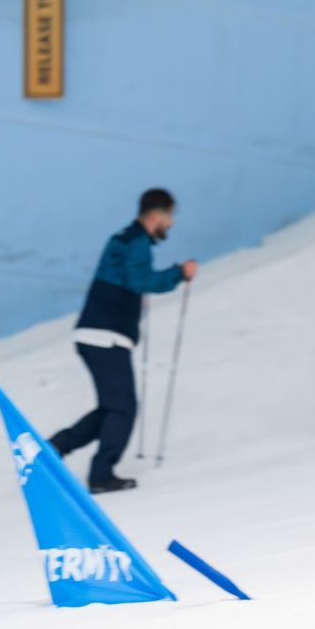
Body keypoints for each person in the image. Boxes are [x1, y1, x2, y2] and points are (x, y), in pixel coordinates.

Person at [49, 189, 197, 493]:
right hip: (106, 336)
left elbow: (132, 280)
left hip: (97, 334)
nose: (171, 223)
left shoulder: (126, 239)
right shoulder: (136, 242)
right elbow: (140, 280)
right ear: (157, 215)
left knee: (111, 407)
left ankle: (52, 450)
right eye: (170, 216)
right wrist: (179, 273)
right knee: (123, 409)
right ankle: (100, 476)